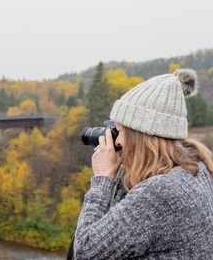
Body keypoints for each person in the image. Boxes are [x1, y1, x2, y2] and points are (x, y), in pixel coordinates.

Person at [74, 69, 213, 259]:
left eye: (121, 132)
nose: (118, 142)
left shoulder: (159, 192)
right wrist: (128, 164)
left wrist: (102, 179)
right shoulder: (198, 169)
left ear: (141, 136)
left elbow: (86, 251)